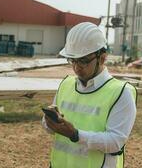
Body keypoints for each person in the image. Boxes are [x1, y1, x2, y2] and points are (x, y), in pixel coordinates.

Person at [42, 22, 137, 168]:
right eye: (72, 60)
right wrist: (50, 123)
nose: (76, 67)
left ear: (102, 58)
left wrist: (75, 135)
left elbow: (115, 142)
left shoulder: (121, 92)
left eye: (83, 61)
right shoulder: (66, 85)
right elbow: (49, 128)